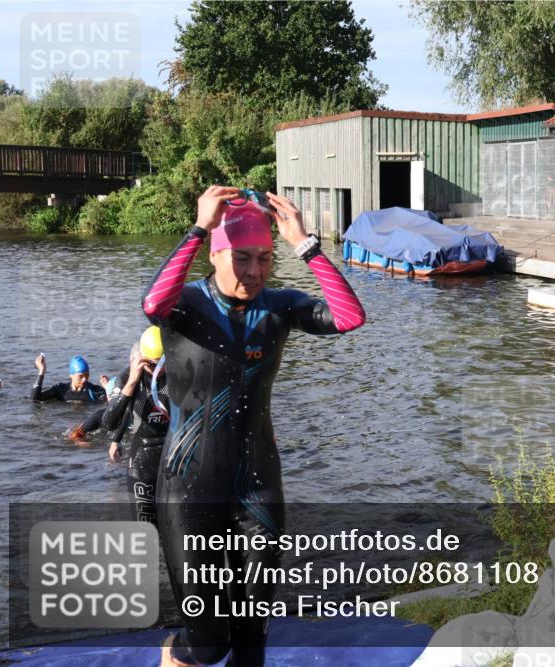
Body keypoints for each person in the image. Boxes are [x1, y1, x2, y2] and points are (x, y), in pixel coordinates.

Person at [143, 186, 365, 667]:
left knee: (251, 638)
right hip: (188, 485)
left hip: (257, 484)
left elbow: (349, 318)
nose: (256, 271)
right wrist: (199, 227)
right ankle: (173, 655)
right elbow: (151, 305)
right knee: (207, 643)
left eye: (265, 258)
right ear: (216, 254)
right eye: (243, 258)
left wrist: (305, 245)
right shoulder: (185, 306)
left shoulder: (280, 306)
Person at [103, 326, 170, 524]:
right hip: (143, 456)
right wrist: (131, 383)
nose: (157, 371)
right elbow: (109, 421)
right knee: (146, 526)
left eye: (162, 364)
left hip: (173, 452)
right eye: (151, 365)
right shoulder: (127, 377)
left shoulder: (178, 373)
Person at [30, 354, 108, 402]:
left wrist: (108, 388)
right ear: (71, 375)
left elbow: (113, 402)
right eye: (80, 376)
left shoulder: (95, 391)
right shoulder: (60, 389)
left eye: (87, 375)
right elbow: (35, 399)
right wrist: (42, 370)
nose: (84, 379)